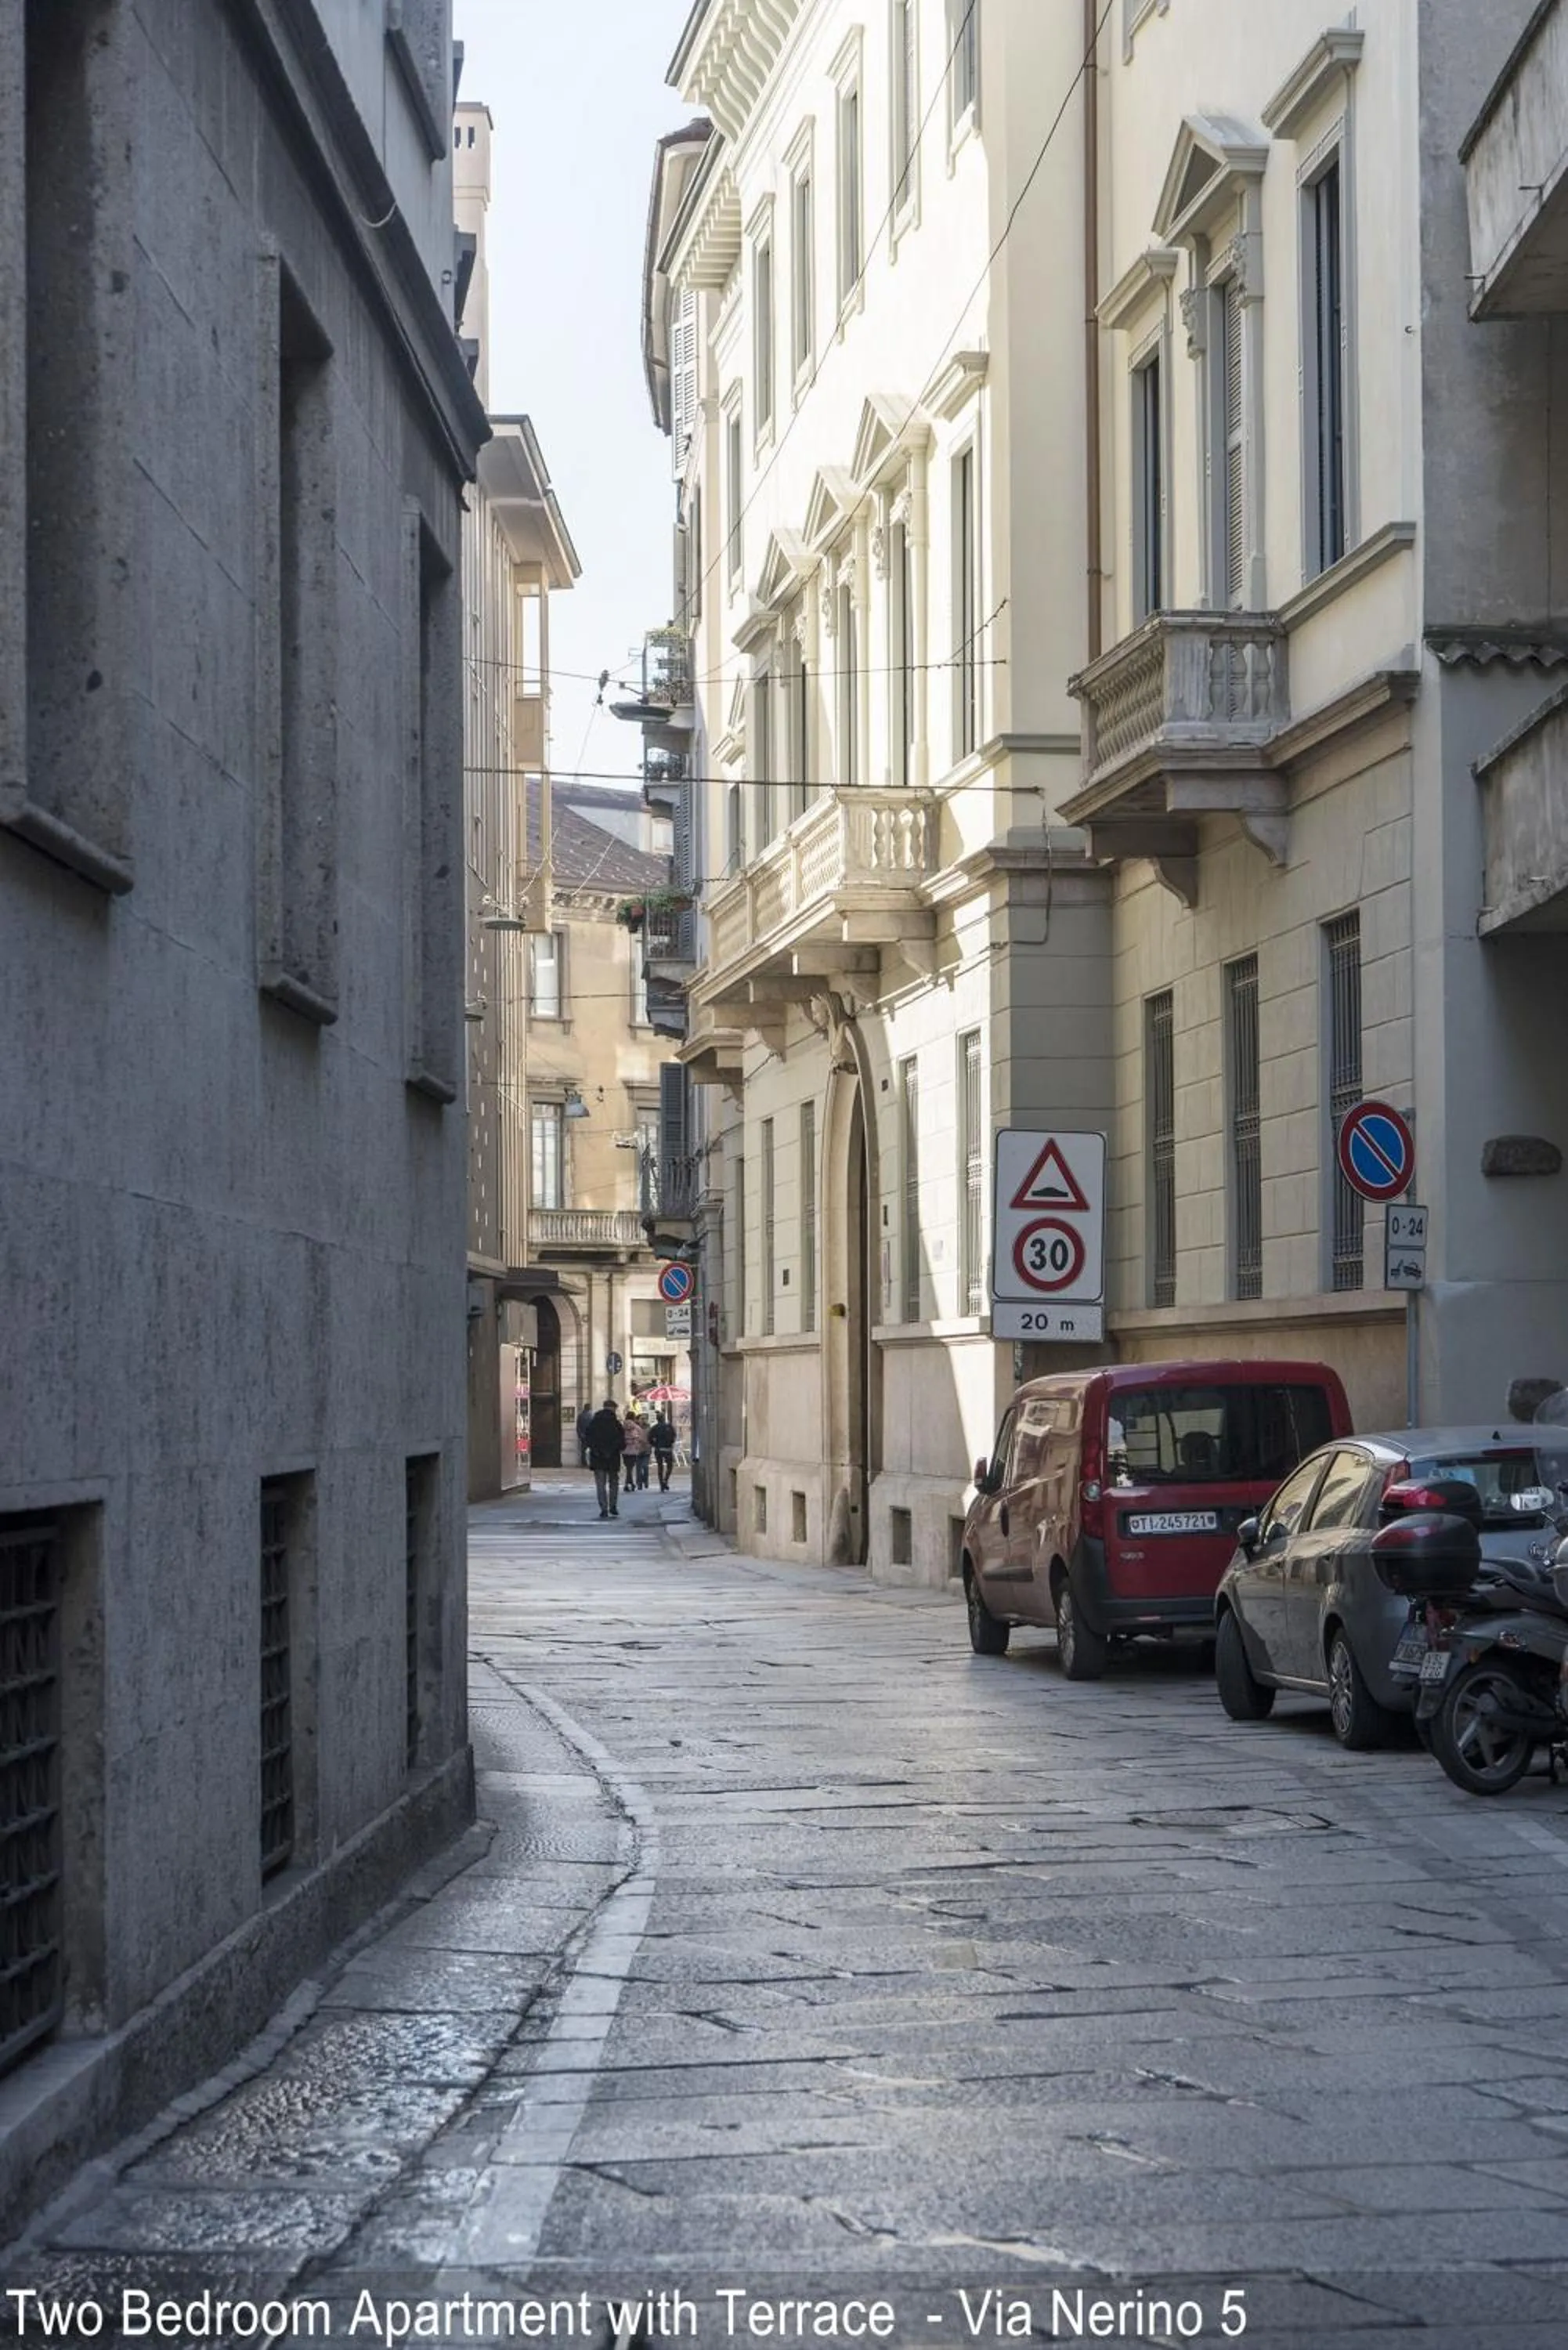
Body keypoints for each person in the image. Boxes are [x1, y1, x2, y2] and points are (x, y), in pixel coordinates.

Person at [585, 1399, 625, 1519]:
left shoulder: (594, 1422)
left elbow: (588, 1439)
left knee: (600, 1484)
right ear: (613, 1408)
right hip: (612, 1458)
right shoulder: (616, 1424)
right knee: (614, 1482)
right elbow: (621, 1442)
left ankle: (603, 1508)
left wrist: (597, 1451)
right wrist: (613, 1450)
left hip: (598, 1458)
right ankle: (613, 1506)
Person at [621, 1411, 650, 1493]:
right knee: (630, 1468)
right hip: (634, 1450)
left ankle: (629, 1484)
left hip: (624, 1450)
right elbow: (642, 1438)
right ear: (633, 1418)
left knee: (628, 1468)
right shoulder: (637, 1427)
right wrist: (644, 1444)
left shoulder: (622, 1426)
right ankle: (629, 1484)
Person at [650, 1411, 677, 1491]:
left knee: (660, 1466)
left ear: (657, 1419)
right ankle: (666, 1480)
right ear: (664, 1418)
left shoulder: (654, 1427)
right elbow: (674, 1436)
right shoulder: (669, 1426)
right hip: (668, 1449)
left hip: (658, 1449)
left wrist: (655, 1444)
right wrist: (671, 1443)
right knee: (670, 1466)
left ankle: (661, 1483)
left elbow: (649, 1438)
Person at [575, 1401, 594, 1470]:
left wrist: (580, 1435)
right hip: (591, 1436)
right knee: (591, 1450)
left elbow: (578, 1427)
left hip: (583, 1436)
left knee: (583, 1450)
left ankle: (584, 1463)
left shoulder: (580, 1415)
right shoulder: (592, 1415)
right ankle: (590, 1462)